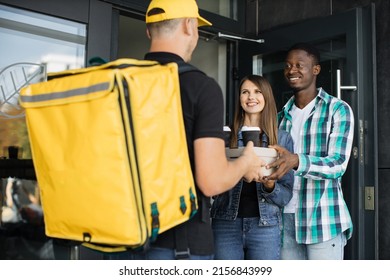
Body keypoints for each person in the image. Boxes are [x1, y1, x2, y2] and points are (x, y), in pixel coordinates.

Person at [107, 0, 264, 260]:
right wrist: (246, 162)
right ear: (189, 26)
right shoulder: (200, 87)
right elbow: (211, 181)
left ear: (148, 31)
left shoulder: (119, 82)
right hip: (180, 246)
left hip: (123, 239)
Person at [264, 42, 354, 260]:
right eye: (287, 65)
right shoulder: (278, 118)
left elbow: (338, 164)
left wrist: (296, 161)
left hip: (323, 220)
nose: (291, 70)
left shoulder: (337, 109)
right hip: (285, 220)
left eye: (299, 65)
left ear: (316, 69)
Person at [211, 75, 294, 260]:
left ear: (266, 97)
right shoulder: (225, 136)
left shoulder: (282, 139)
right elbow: (213, 187)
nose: (251, 97)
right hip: (225, 225)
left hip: (265, 227)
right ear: (239, 98)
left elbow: (286, 195)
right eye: (245, 92)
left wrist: (269, 186)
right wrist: (235, 171)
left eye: (257, 92)